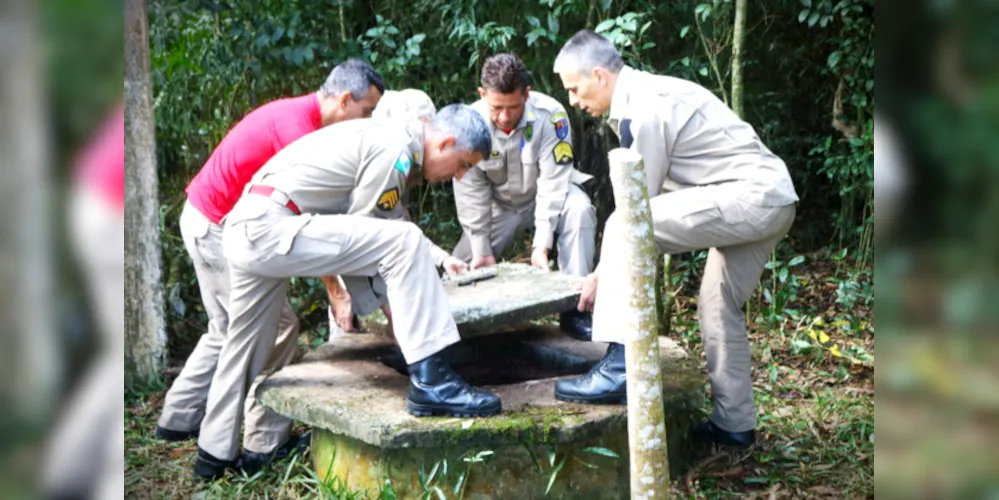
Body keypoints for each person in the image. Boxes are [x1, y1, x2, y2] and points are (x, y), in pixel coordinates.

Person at [193, 104, 500, 480]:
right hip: (272, 226)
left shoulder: (392, 139)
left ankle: (213, 453)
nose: (461, 175)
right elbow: (374, 235)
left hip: (247, 225)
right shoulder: (397, 152)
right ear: (445, 142)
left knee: (245, 342)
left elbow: (381, 224)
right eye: (464, 164)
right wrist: (397, 321)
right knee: (405, 242)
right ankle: (432, 380)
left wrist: (437, 260)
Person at [550, 30, 799, 448]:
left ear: (599, 75)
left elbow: (638, 211)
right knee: (717, 304)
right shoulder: (645, 96)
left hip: (751, 196)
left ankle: (619, 365)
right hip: (772, 199)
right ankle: (734, 425)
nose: (574, 100)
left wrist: (598, 275)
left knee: (622, 225)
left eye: (575, 89)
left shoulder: (646, 109)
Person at [155, 59, 384, 464]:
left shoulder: (301, 117)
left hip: (204, 218)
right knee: (278, 326)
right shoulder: (298, 132)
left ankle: (178, 418)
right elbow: (301, 226)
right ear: (345, 100)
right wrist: (336, 292)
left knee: (225, 329)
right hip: (216, 227)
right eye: (366, 111)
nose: (367, 121)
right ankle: (262, 439)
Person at [452, 53, 597, 340]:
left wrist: (541, 245)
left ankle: (575, 309)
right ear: (482, 94)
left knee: (579, 209)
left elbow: (553, 182)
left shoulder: (550, 116)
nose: (505, 117)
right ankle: (465, 324)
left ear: (527, 94)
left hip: (545, 195)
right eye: (497, 108)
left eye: (513, 107)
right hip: (498, 205)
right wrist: (481, 249)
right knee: (460, 266)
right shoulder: (469, 123)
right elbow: (471, 192)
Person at [325, 88, 438, 338]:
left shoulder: (405, 161)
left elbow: (397, 225)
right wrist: (337, 293)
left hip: (373, 263)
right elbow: (351, 234)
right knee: (347, 341)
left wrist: (440, 259)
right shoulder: (382, 153)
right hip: (343, 255)